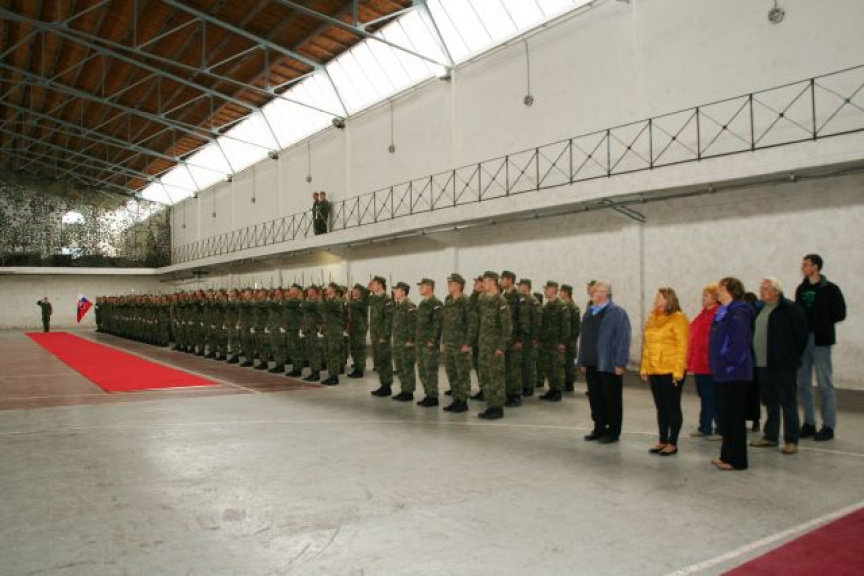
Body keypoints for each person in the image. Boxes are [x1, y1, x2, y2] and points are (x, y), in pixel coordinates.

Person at [751, 278, 809, 454]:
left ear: (777, 291)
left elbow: (802, 334)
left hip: (783, 365)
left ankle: (791, 440)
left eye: (766, 289)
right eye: (761, 288)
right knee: (770, 402)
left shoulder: (790, 309)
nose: (762, 291)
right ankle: (770, 436)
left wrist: (790, 356)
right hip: (763, 364)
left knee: (787, 402)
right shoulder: (760, 308)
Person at [796, 254, 847, 441]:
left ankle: (828, 426)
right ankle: (809, 423)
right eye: (803, 265)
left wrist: (822, 322)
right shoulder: (801, 289)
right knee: (803, 383)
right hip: (804, 341)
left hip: (821, 340)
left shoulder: (830, 289)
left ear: (816, 267)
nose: (804, 267)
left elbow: (840, 313)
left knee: (825, 384)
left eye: (807, 264)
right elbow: (798, 312)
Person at [709, 277, 755, 471]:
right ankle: (726, 455)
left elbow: (738, 344)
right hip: (722, 372)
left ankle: (738, 460)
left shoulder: (738, 313)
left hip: (734, 373)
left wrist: (726, 362)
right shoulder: (723, 311)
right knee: (725, 417)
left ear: (730, 290)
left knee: (734, 417)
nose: (717, 291)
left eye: (721, 288)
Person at [578, 281, 631, 444]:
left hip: (609, 364)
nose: (593, 292)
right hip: (591, 363)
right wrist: (582, 360)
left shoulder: (617, 313)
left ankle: (613, 431)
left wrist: (620, 363)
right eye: (593, 290)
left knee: (612, 399)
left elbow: (623, 339)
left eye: (597, 290)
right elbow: (584, 338)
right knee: (595, 398)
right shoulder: (589, 313)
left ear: (606, 294)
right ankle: (599, 427)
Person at [641, 288, 690, 456]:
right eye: (656, 297)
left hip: (671, 370)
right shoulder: (652, 317)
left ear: (668, 299)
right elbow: (648, 346)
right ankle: (662, 440)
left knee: (672, 406)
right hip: (655, 369)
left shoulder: (678, 318)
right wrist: (645, 368)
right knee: (661, 407)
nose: (655, 299)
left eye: (659, 297)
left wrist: (678, 372)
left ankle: (672, 442)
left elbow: (683, 346)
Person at [688, 283, 721, 440]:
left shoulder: (719, 314)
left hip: (712, 364)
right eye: (703, 295)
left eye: (706, 295)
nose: (703, 298)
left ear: (715, 297)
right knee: (705, 396)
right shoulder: (702, 315)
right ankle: (705, 426)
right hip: (700, 364)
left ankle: (721, 428)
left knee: (715, 397)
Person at [476, 271, 512, 419]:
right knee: (485, 377)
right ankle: (490, 405)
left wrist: (502, 347)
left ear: (492, 282)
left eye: (485, 281)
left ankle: (498, 407)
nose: (482, 284)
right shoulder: (483, 299)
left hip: (495, 347)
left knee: (496, 377)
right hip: (484, 345)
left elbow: (507, 327)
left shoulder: (501, 301)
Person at [441, 273, 477, 413]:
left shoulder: (466, 302)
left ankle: (463, 401)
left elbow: (472, 324)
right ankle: (456, 398)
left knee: (462, 373)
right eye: (449, 283)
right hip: (449, 343)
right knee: (452, 372)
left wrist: (468, 343)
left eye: (452, 283)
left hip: (461, 344)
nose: (449, 285)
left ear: (459, 285)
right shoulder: (448, 300)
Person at [501, 271, 530, 408]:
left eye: (503, 279)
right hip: (505, 338)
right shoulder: (502, 296)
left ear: (509, 280)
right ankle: (508, 393)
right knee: (506, 367)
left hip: (515, 339)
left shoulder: (519, 297)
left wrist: (520, 340)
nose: (501, 281)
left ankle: (515, 395)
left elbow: (524, 320)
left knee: (514, 368)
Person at [538, 281, 570, 402]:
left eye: (547, 289)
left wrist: (562, 342)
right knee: (548, 367)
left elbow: (566, 326)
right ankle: (552, 389)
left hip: (556, 343)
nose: (545, 291)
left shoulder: (561, 306)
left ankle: (558, 391)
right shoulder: (546, 307)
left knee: (557, 368)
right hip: (547, 343)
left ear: (554, 290)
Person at [415, 279, 443, 406]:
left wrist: (433, 340)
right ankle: (428, 394)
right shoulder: (422, 304)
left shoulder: (436, 303)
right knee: (422, 370)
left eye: (422, 286)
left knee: (430, 370)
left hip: (429, 344)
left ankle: (433, 397)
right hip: (421, 343)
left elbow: (438, 323)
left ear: (430, 287)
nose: (420, 288)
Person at [391, 281, 418, 402]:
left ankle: (409, 392)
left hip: (406, 343)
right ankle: (404, 390)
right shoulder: (398, 305)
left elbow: (414, 324)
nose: (394, 292)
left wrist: (411, 340)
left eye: (396, 290)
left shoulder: (410, 306)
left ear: (403, 292)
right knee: (400, 368)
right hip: (398, 342)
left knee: (407, 368)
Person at [369, 276, 395, 397]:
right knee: (378, 362)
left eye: (374, 284)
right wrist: (368, 288)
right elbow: (364, 298)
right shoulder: (374, 298)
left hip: (382, 336)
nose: (372, 286)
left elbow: (389, 320)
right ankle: (383, 384)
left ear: (380, 285)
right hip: (375, 335)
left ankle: (387, 386)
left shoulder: (387, 299)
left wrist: (384, 335)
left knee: (385, 361)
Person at [560, 284, 582, 392]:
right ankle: (566, 382)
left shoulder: (572, 307)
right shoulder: (566, 305)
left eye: (561, 291)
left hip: (569, 340)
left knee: (568, 362)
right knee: (565, 361)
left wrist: (570, 340)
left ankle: (569, 383)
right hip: (567, 339)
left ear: (566, 293)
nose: (560, 293)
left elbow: (576, 326)